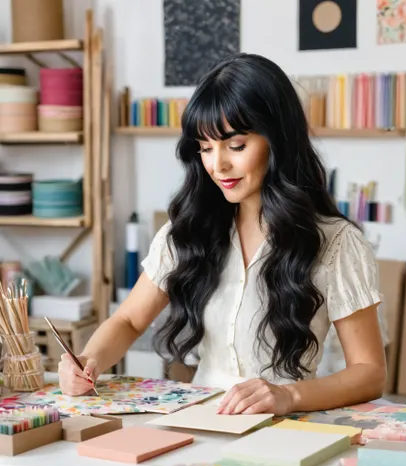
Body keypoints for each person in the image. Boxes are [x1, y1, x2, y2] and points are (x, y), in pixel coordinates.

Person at [58, 53, 387, 416]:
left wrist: (288, 395)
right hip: (199, 425)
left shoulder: (336, 243)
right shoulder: (188, 232)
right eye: (205, 148)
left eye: (236, 146)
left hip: (286, 431)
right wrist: (88, 361)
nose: (218, 165)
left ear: (278, 140)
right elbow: (129, 320)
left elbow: (369, 373)